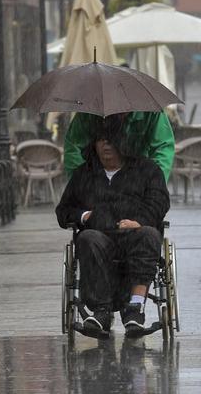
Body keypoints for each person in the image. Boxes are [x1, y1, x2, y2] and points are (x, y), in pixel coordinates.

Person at [56, 116, 170, 338]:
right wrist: (85, 215)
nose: (106, 145)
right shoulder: (84, 175)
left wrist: (140, 221)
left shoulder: (147, 170)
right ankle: (101, 312)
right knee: (88, 238)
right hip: (101, 237)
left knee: (149, 235)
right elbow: (63, 211)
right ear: (94, 145)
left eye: (111, 140)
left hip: (135, 235)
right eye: (100, 141)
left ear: (123, 143)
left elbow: (160, 201)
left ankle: (135, 308)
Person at [64, 111, 175, 183]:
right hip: (97, 177)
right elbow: (73, 147)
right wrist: (79, 183)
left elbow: (163, 146)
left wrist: (155, 183)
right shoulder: (90, 112)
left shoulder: (152, 111)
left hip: (138, 177)